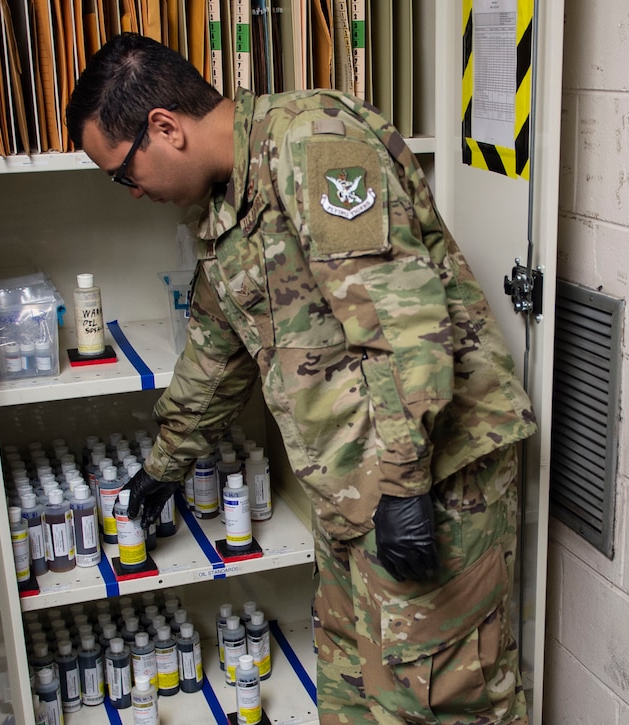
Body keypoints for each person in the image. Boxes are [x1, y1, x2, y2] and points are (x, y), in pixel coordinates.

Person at [66, 32, 537, 725]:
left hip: (433, 483)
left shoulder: (314, 143)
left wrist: (406, 486)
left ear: (164, 128)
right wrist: (165, 465)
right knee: (351, 694)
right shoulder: (223, 207)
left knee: (443, 700)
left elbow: (401, 323)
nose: (131, 192)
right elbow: (218, 345)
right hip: (352, 497)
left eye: (122, 172)